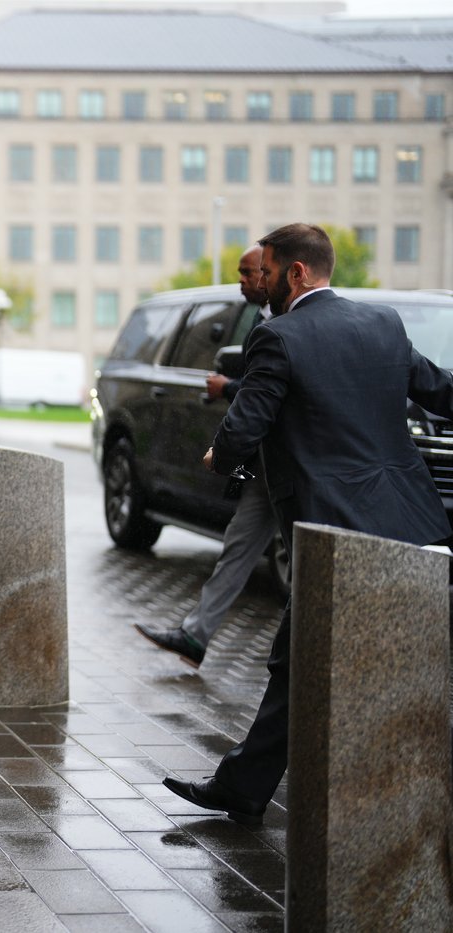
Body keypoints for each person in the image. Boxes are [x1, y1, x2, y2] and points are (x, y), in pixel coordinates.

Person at [162, 223, 453, 824]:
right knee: (348, 657)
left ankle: (256, 788)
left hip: (331, 529)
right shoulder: (383, 323)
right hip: (410, 521)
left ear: (295, 273)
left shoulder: (277, 336)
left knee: (301, 658)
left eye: (266, 270)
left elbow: (247, 422)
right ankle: (248, 786)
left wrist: (221, 457)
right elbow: (441, 391)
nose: (261, 281)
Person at [136, 245, 278, 666]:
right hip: (265, 465)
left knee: (312, 562)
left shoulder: (290, 323)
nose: (243, 281)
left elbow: (267, 393)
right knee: (239, 545)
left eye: (250, 272)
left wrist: (227, 394)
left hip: (297, 469)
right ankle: (195, 636)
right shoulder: (263, 318)